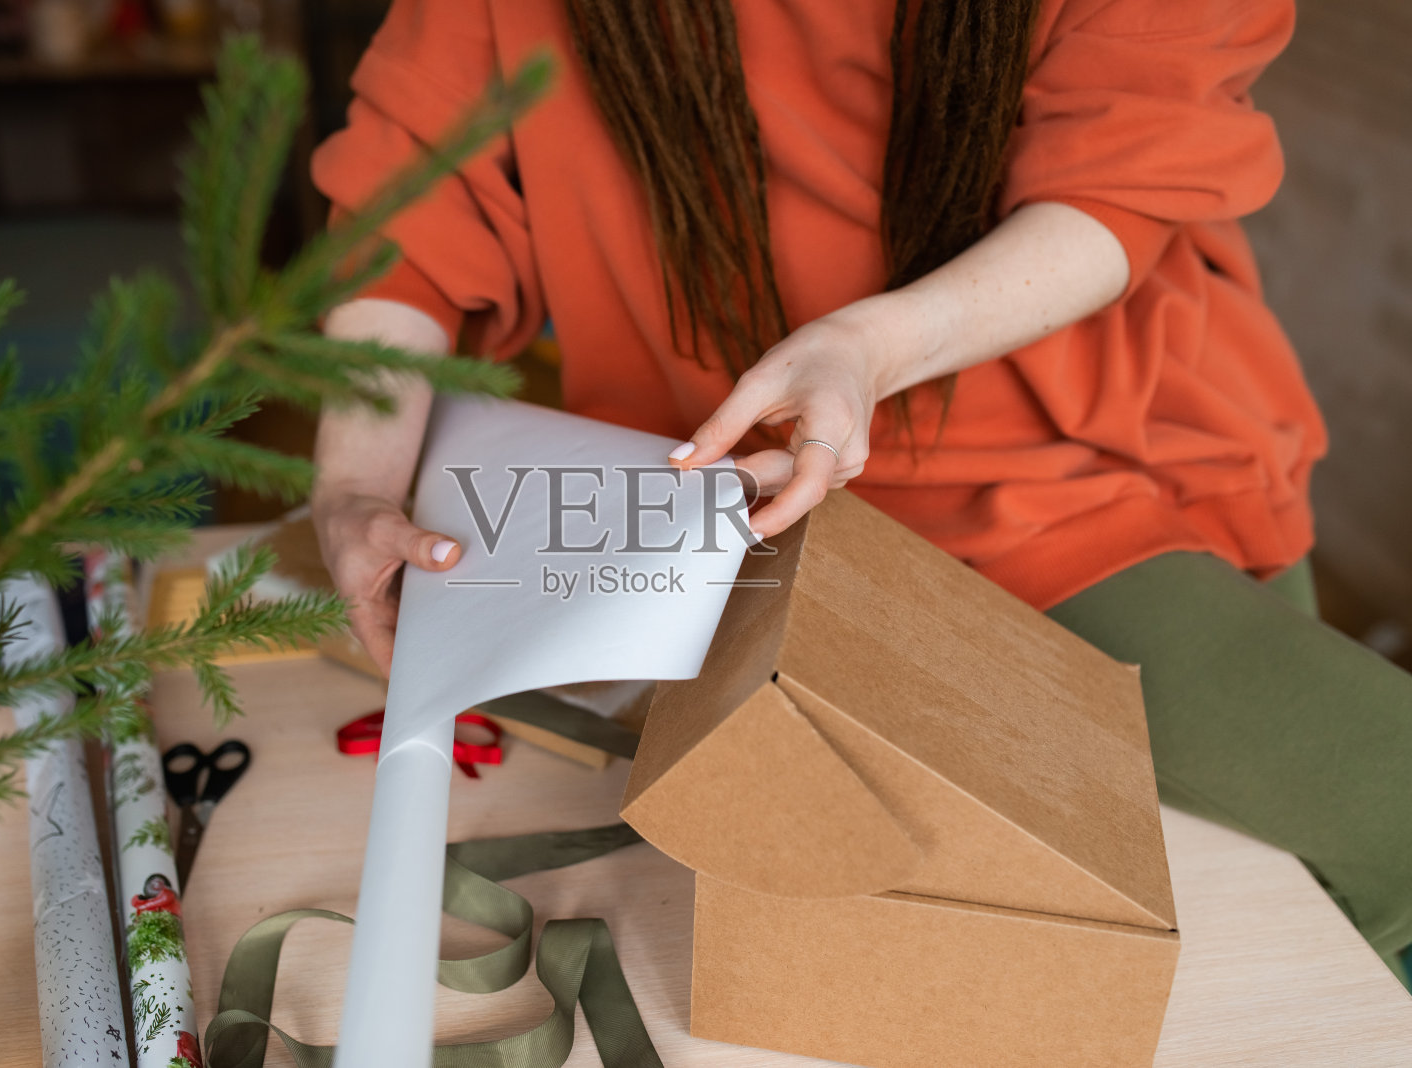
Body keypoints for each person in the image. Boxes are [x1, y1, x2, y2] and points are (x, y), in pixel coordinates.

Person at [307, 0, 1412, 986]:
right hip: (737, 520)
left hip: (1092, 477)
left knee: (1328, 879)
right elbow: (413, 206)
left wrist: (868, 350)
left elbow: (1124, 176)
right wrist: (354, 481)